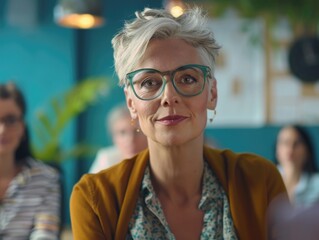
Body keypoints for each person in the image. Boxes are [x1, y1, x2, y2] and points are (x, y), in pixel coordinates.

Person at [70, 7, 287, 240]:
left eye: (187, 78)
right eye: (150, 82)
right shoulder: (94, 198)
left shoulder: (260, 181)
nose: (169, 96)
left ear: (212, 93)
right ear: (131, 103)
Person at [0, 82, 61, 239]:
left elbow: (45, 235)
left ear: (22, 127)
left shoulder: (46, 178)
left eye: (11, 120)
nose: (2, 130)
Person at [89, 103, 148, 173]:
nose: (130, 139)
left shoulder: (158, 158)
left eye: (137, 131)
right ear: (113, 137)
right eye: (122, 132)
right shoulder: (106, 159)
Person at [274, 124, 319, 206]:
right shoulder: (265, 180)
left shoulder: (317, 184)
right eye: (285, 142)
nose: (290, 149)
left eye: (297, 143)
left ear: (307, 151)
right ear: (277, 150)